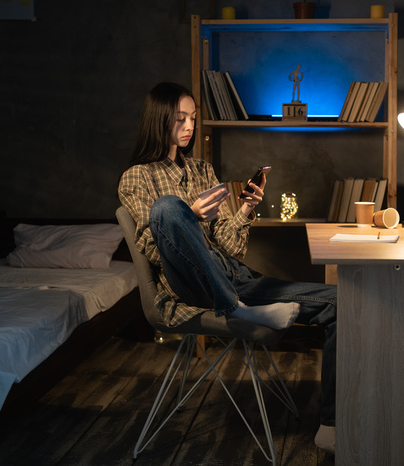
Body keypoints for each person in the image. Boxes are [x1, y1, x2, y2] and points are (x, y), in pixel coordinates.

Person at [118, 82, 336, 453]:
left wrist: (246, 208)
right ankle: (235, 307)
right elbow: (153, 250)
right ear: (159, 121)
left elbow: (231, 247)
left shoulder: (203, 170)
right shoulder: (136, 177)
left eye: (193, 118)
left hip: (233, 276)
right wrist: (189, 214)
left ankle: (331, 423)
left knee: (341, 302)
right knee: (168, 208)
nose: (189, 126)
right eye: (179, 119)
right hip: (187, 284)